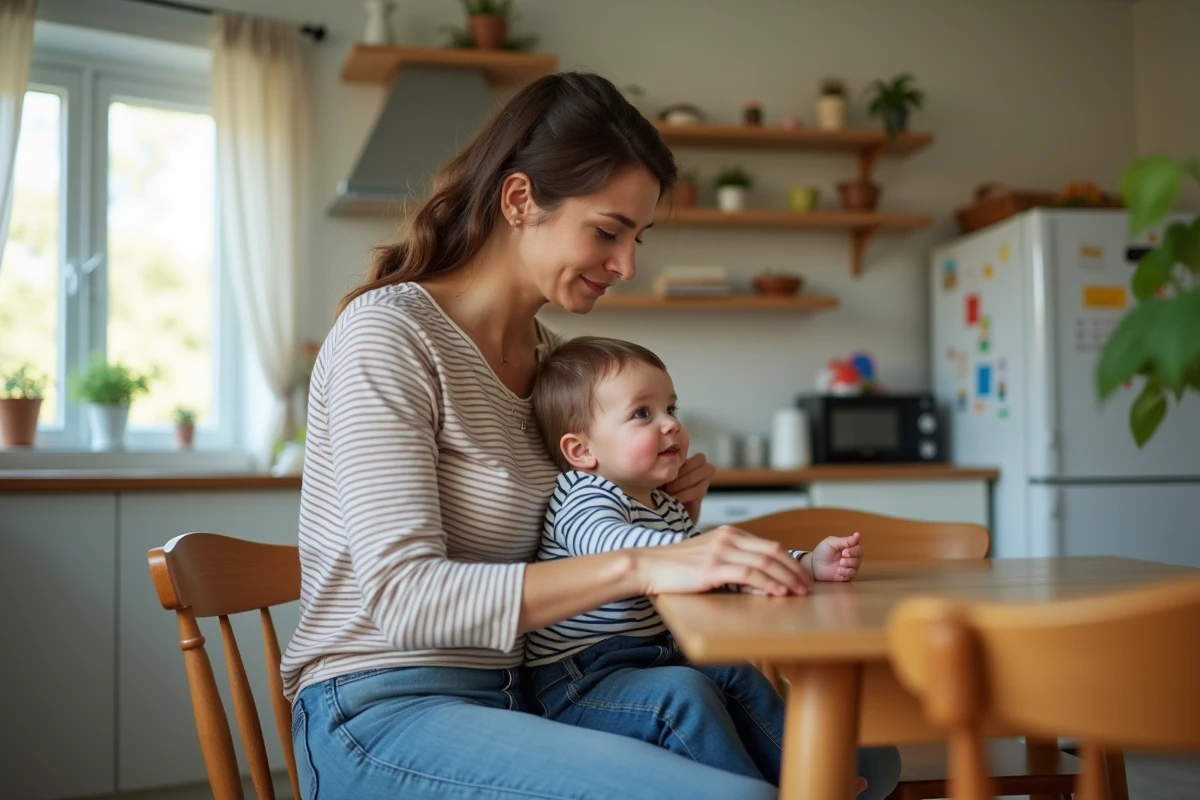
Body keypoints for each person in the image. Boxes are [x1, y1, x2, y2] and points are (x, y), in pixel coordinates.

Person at [282, 70, 901, 799]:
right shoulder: (389, 335)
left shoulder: (553, 366)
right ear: (520, 200)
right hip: (383, 710)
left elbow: (573, 540)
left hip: (529, 692)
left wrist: (655, 511)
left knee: (870, 761)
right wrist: (641, 564)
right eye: (607, 232)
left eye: (638, 237)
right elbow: (406, 598)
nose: (628, 265)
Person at [526, 335, 887, 792]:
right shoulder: (582, 495)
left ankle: (812, 781)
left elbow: (716, 565)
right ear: (582, 451)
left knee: (735, 669)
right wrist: (688, 555)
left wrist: (806, 563)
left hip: (651, 660)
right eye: (642, 414)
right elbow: (611, 548)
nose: (670, 425)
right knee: (683, 695)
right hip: (578, 681)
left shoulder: (664, 505)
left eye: (670, 410)